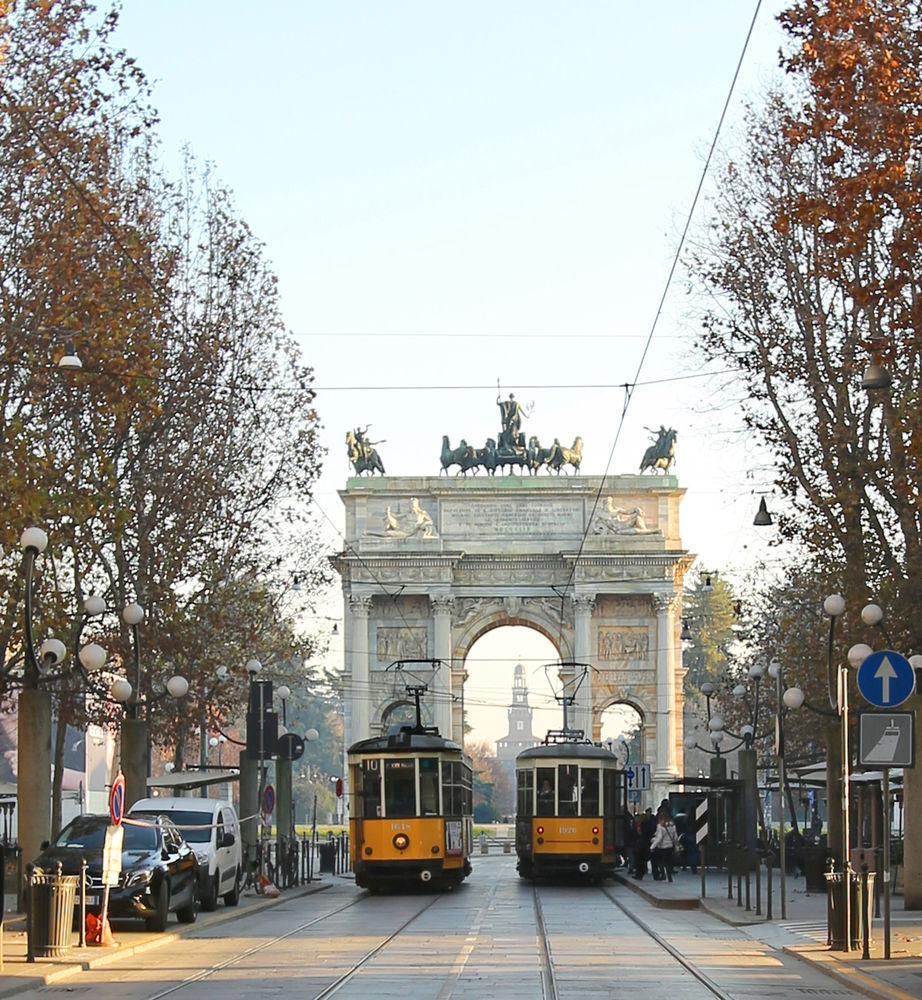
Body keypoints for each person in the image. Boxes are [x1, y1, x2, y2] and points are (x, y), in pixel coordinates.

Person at [651, 812, 678, 882]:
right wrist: (676, 844)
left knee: (660, 861)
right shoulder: (672, 826)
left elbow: (659, 838)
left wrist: (652, 846)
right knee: (668, 862)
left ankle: (663, 875)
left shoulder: (660, 826)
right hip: (670, 846)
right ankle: (669, 876)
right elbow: (675, 837)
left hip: (662, 847)